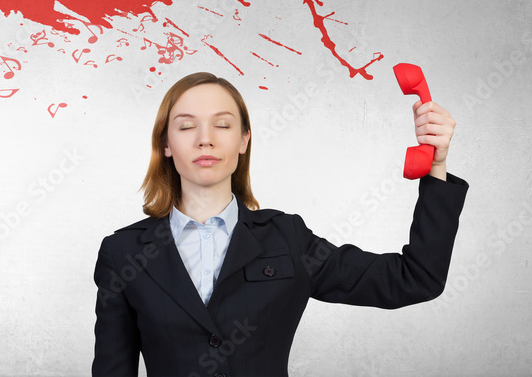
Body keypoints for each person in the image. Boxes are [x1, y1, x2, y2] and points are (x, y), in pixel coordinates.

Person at [91, 72, 468, 377]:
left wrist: (436, 166)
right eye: (187, 126)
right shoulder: (123, 252)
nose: (205, 140)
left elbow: (415, 279)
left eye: (222, 125)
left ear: (243, 140)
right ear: (167, 144)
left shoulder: (287, 238)